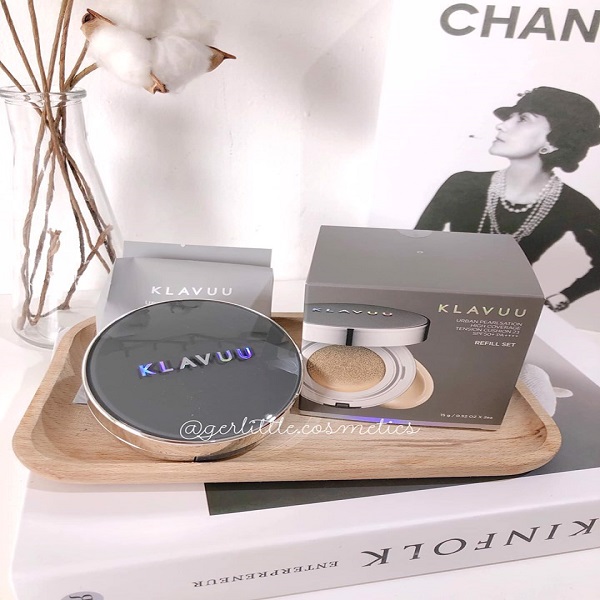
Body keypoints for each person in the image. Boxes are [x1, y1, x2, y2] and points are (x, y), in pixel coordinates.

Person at [415, 87, 600, 312]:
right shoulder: (463, 184)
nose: (502, 125)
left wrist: (565, 297)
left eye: (523, 119)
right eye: (510, 117)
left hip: (508, 314)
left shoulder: (573, 206)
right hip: (441, 304)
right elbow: (416, 247)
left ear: (553, 143)